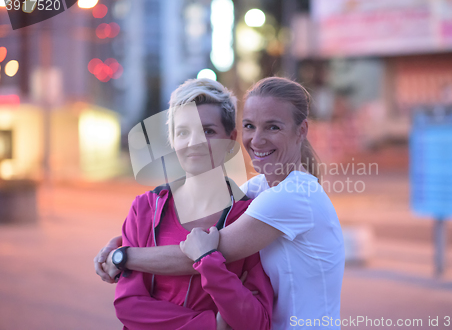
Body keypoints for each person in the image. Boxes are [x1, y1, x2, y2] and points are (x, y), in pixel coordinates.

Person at [96, 77, 345, 329]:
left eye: (273, 127)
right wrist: (122, 240)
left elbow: (199, 253)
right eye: (250, 125)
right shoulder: (258, 190)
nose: (257, 140)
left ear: (301, 130)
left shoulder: (292, 195)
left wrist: (122, 256)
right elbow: (129, 304)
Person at [105, 78, 273, 330]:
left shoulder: (249, 218)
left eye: (208, 131)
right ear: (172, 140)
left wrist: (211, 264)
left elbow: (256, 321)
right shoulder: (144, 210)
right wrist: (209, 324)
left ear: (230, 140)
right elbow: (129, 305)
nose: (195, 142)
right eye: (183, 132)